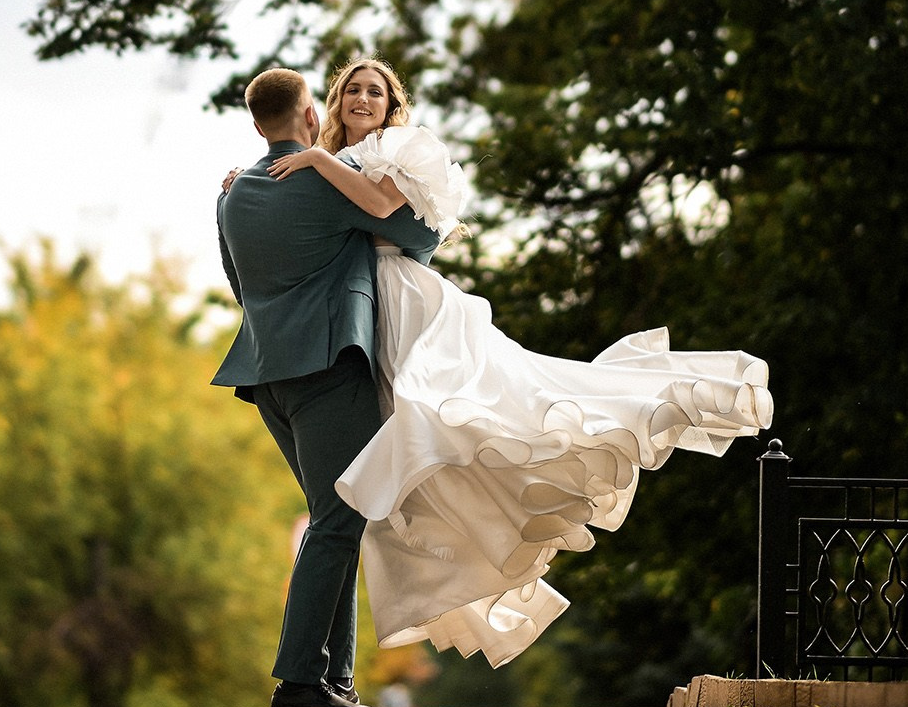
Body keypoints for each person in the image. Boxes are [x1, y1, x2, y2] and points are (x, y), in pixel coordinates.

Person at [254, 57, 774, 668]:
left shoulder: (395, 150)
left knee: (461, 417)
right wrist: (259, 176)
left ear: (392, 105)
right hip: (360, 324)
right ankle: (338, 660)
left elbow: (382, 212)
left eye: (376, 91)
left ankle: (648, 408)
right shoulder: (322, 165)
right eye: (352, 91)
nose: (363, 99)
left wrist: (312, 160)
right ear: (333, 104)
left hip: (405, 306)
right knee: (392, 482)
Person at [214, 66, 444, 707]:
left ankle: (331, 678)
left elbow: (240, 281)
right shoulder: (321, 184)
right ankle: (298, 680)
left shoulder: (233, 194)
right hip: (326, 369)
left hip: (265, 378)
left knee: (333, 515)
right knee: (341, 518)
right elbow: (422, 237)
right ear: (313, 117)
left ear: (256, 124)